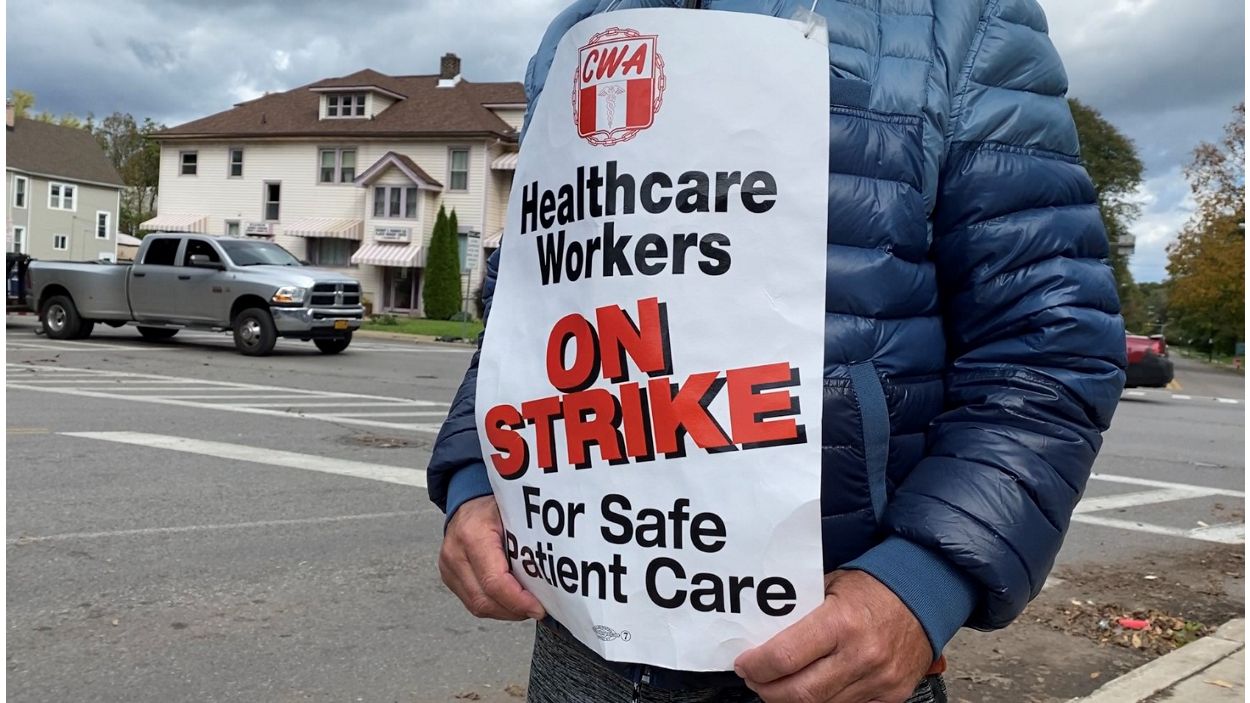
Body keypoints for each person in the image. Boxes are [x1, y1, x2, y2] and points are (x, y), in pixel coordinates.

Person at [428, 0, 1126, 701]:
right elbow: (530, 307)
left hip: (833, 654)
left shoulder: (961, 18)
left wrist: (922, 584)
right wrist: (475, 482)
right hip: (579, 643)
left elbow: (1047, 349)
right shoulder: (581, 27)